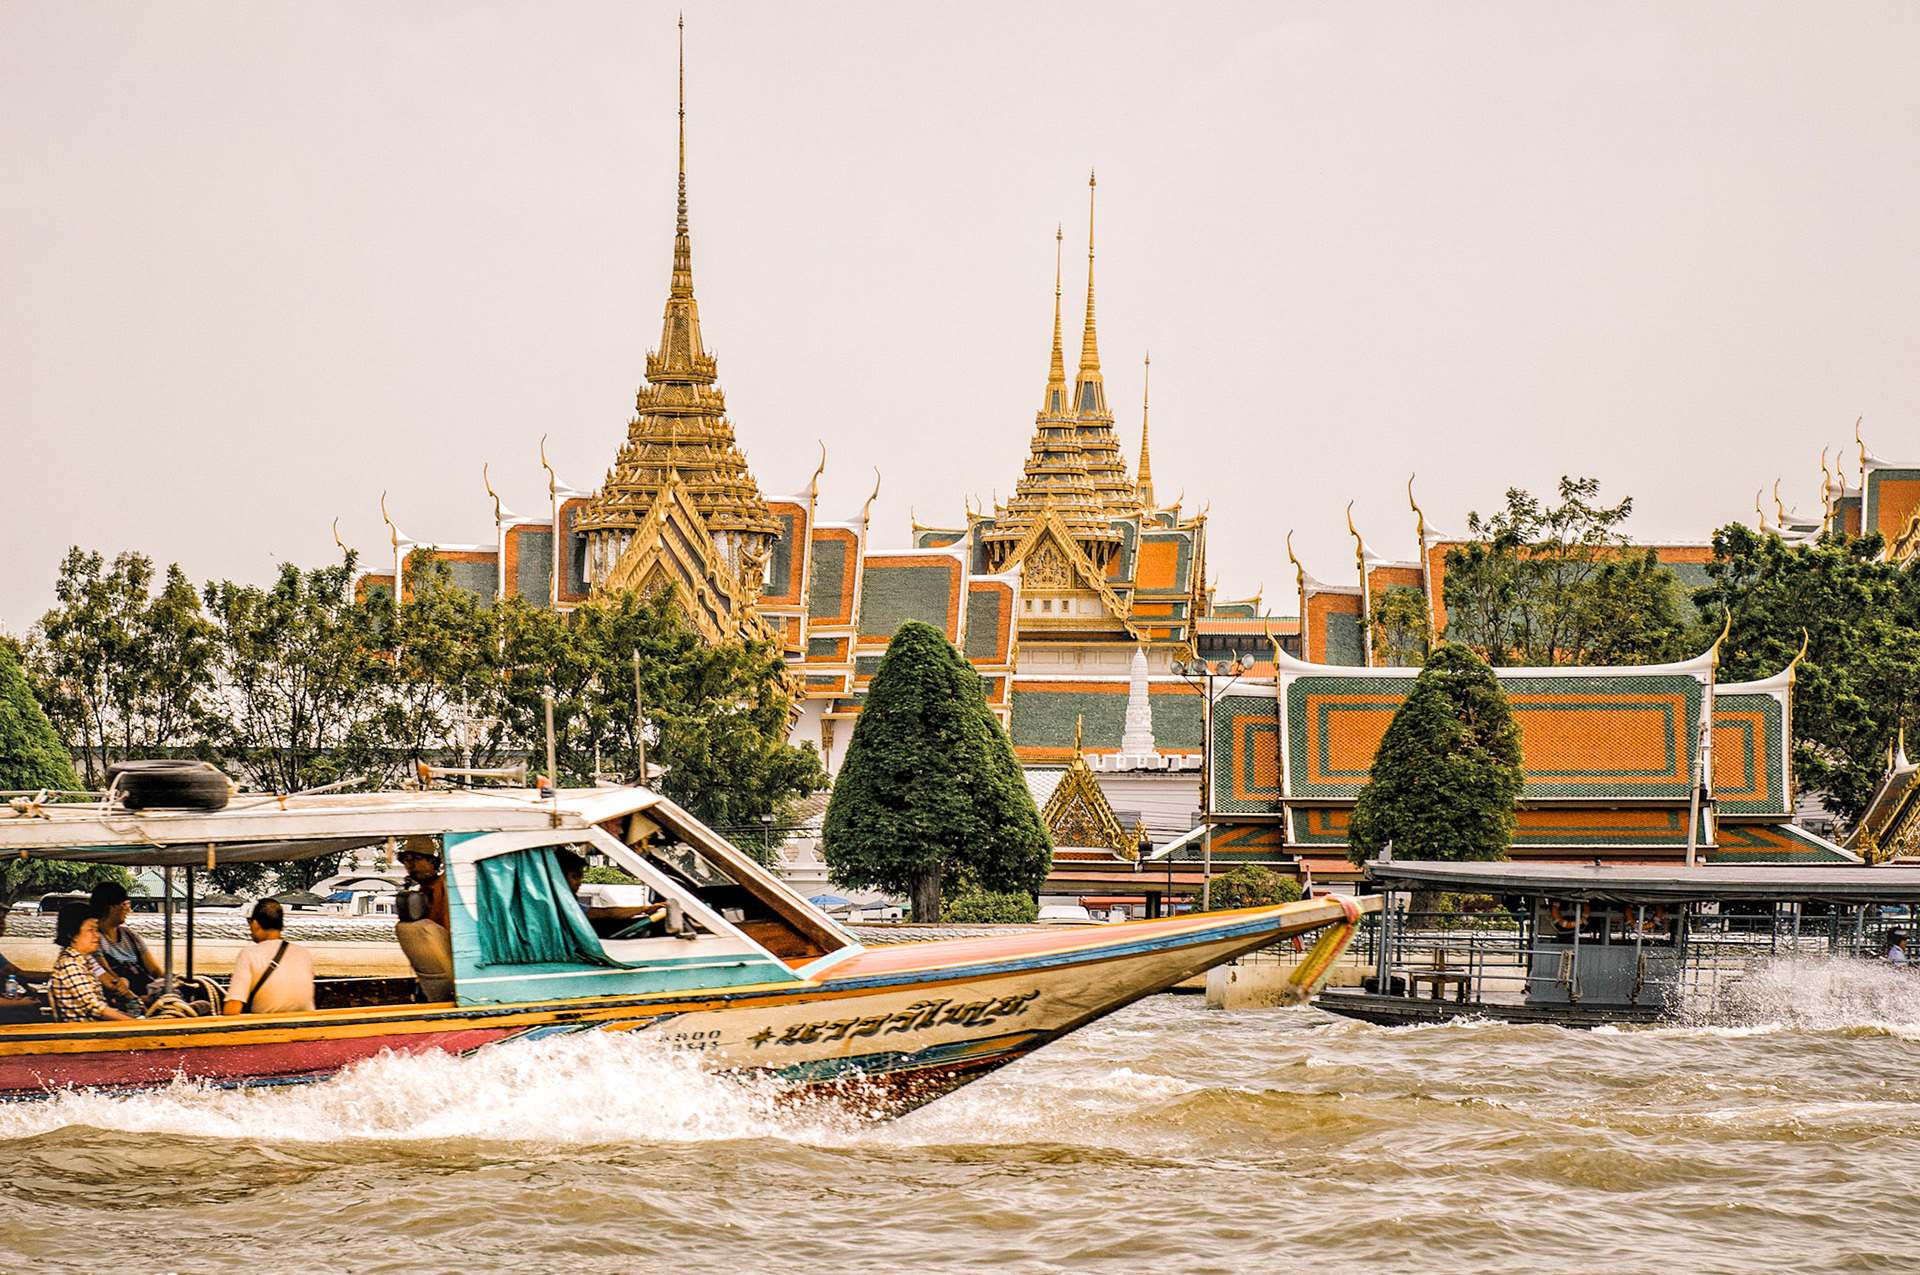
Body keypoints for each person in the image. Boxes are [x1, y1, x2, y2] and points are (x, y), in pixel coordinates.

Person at [223, 899, 315, 1015]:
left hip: (268, 1028)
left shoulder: (250, 954)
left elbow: (233, 1006)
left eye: (250, 921)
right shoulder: (303, 954)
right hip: (307, 1027)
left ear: (255, 924)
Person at [47, 903, 135, 1022]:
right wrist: (135, 1023)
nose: (96, 935)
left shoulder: (84, 962)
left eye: (96, 930)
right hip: (84, 1033)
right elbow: (96, 1008)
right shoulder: (70, 965)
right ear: (73, 935)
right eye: (90, 930)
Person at [91, 881, 164, 1006]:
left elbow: (155, 969)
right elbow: (109, 975)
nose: (127, 909)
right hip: (124, 998)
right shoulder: (94, 938)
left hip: (148, 990)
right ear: (111, 907)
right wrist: (136, 999)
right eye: (124, 904)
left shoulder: (130, 935)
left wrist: (166, 986)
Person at [397, 840, 448, 929]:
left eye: (416, 859)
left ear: (431, 862)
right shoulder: (420, 892)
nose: (411, 865)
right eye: (407, 860)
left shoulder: (445, 885)